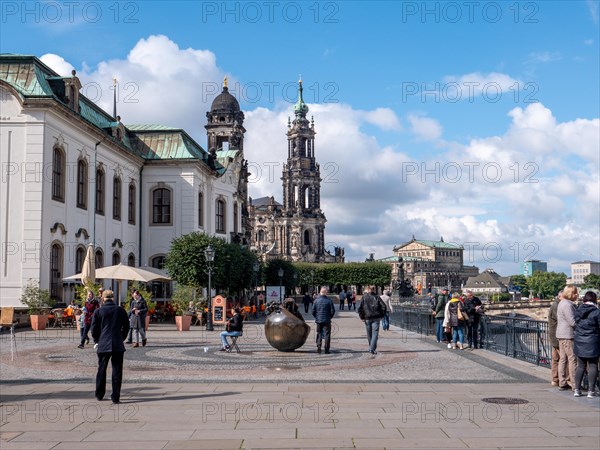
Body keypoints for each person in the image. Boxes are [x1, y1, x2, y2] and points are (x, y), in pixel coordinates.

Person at [91, 289, 129, 404]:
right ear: (112, 298)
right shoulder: (120, 310)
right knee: (117, 371)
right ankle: (115, 396)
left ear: (103, 298)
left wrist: (97, 340)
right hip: (117, 343)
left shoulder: (98, 311)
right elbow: (126, 326)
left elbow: (94, 329)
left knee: (101, 369)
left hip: (103, 343)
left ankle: (99, 394)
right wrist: (121, 337)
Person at [573, 291, 599, 398]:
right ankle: (591, 391)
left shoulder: (578, 310)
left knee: (581, 366)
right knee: (593, 365)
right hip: (592, 341)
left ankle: (577, 389)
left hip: (579, 341)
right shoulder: (597, 312)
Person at [556, 284, 578, 391]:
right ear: (570, 294)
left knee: (563, 359)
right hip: (568, 335)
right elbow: (572, 322)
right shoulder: (567, 305)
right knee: (572, 359)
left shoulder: (562, 303)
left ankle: (562, 382)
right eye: (575, 293)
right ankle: (574, 384)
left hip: (561, 334)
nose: (577, 294)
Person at [358, 286, 387, 354]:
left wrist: (362, 317)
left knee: (369, 333)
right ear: (373, 290)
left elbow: (360, 308)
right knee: (375, 333)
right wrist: (382, 315)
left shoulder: (364, 297)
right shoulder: (377, 297)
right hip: (376, 317)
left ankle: (371, 347)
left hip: (367, 317)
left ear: (368, 290)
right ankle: (372, 348)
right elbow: (384, 307)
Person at [312, 287, 335, 354]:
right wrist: (329, 317)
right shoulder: (329, 301)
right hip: (327, 320)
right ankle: (326, 349)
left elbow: (313, 311)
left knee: (319, 333)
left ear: (320, 292)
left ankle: (319, 346)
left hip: (318, 320)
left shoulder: (316, 301)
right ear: (326, 292)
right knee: (327, 335)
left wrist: (316, 317)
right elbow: (332, 311)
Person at [548, 291, 562, 386]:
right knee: (563, 359)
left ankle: (555, 379)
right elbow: (562, 319)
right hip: (557, 336)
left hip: (554, 335)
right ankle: (562, 380)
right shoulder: (556, 305)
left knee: (556, 359)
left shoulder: (555, 304)